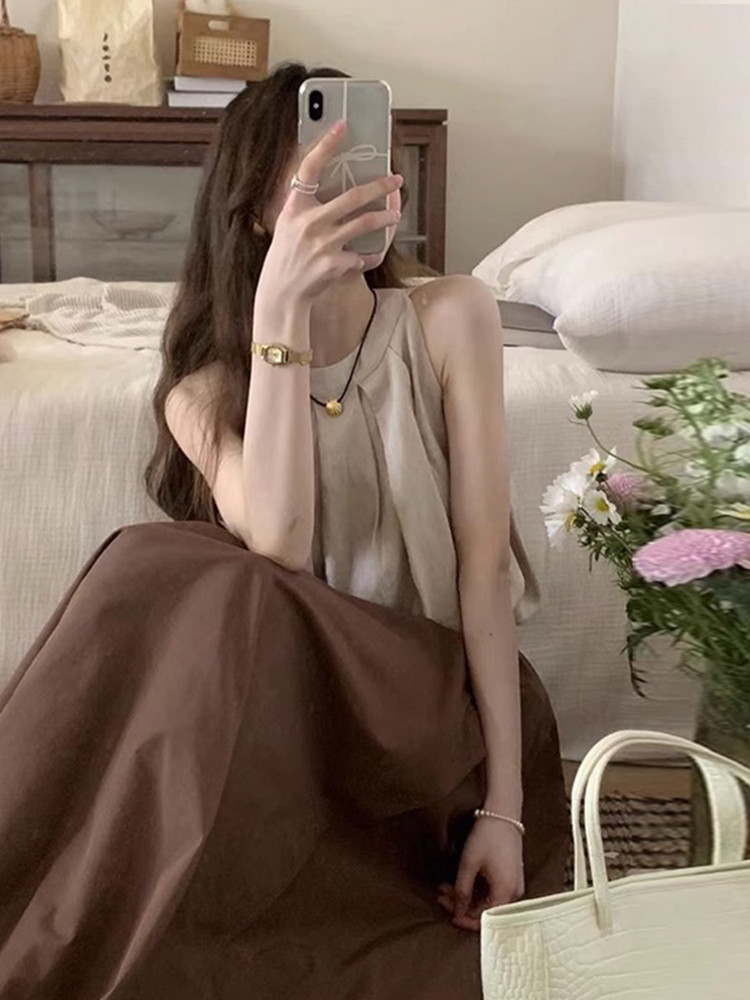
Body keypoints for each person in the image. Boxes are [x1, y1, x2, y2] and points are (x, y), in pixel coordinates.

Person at [0, 63, 569, 999]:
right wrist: (279, 315)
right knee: (166, 568)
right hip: (305, 719)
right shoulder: (200, 394)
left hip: (427, 705)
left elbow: (481, 572)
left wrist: (505, 810)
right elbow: (282, 544)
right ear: (257, 210)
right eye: (309, 173)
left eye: (361, 164)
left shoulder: (449, 317)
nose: (342, 190)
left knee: (177, 571)